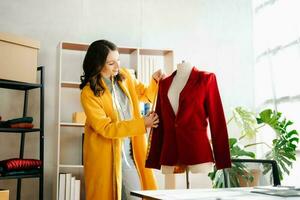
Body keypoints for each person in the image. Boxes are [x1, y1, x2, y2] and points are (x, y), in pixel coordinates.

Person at [80, 39, 164, 200]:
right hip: (105, 159)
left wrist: (154, 81)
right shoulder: (88, 93)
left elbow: (146, 95)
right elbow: (106, 128)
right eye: (111, 63)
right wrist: (142, 123)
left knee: (137, 195)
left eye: (118, 60)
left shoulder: (125, 76)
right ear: (97, 65)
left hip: (130, 154)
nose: (117, 66)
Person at [146, 61, 231, 189]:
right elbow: (160, 122)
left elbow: (217, 119)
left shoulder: (206, 79)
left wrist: (222, 159)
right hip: (170, 155)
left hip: (198, 154)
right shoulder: (164, 83)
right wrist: (154, 157)